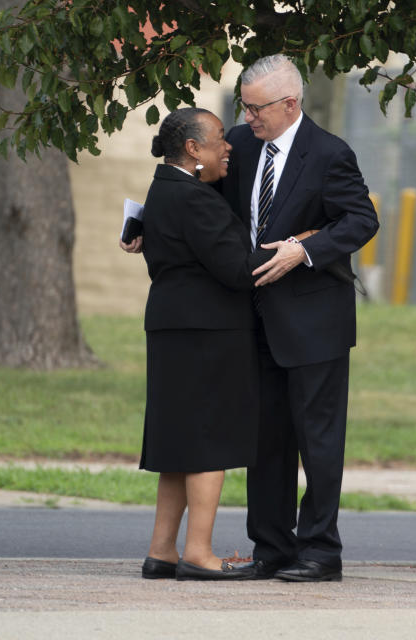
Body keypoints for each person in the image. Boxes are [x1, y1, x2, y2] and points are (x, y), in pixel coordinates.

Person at [223, 54, 379, 582]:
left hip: (316, 322)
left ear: (290, 104)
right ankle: (271, 547)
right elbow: (207, 198)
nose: (248, 118)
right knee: (265, 439)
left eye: (256, 108)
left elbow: (361, 219)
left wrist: (303, 252)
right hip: (254, 319)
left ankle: (320, 550)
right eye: (243, 107)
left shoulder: (330, 153)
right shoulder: (240, 147)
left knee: (318, 439)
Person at [136, 107, 306, 581]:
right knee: (209, 441)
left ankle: (162, 551)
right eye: (217, 139)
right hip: (208, 332)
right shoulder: (197, 200)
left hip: (171, 327)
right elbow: (236, 270)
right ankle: (199, 552)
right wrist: (296, 245)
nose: (227, 145)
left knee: (179, 442)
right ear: (193, 149)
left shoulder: (164, 189)